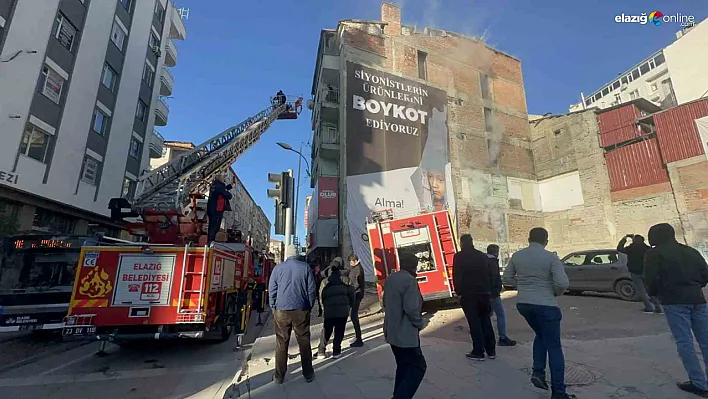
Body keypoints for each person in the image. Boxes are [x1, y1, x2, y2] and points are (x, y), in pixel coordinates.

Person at [503, 227, 575, 399]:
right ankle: (559, 392)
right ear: (546, 241)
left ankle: (538, 372)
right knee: (555, 347)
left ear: (529, 239)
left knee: (541, 335)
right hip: (546, 305)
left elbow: (507, 278)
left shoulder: (518, 256)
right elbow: (562, 283)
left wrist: (523, 286)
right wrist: (554, 292)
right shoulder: (551, 257)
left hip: (524, 304)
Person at [644, 223, 708, 397]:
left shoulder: (655, 254)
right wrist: (695, 286)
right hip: (697, 299)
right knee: (705, 341)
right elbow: (705, 275)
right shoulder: (690, 251)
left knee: (684, 342)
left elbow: (650, 279)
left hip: (674, 301)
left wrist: (654, 294)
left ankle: (699, 383)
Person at [268, 245, 317, 384]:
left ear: (287, 255)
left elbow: (272, 289)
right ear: (297, 255)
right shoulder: (305, 267)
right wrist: (309, 305)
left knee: (281, 343)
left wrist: (273, 306)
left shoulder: (278, 268)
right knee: (304, 341)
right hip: (301, 309)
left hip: (281, 310)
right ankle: (308, 374)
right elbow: (311, 289)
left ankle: (279, 376)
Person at [383, 252, 428, 399]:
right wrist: (420, 323)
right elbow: (411, 309)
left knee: (403, 366)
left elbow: (385, 303)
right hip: (406, 335)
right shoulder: (409, 281)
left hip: (392, 332)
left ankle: (397, 394)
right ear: (414, 266)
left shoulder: (390, 279)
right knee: (418, 366)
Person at [453, 234, 496, 361]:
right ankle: (491, 350)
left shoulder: (459, 256)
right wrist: (490, 291)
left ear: (461, 243)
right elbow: (490, 274)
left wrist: (458, 291)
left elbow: (457, 275)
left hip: (469, 293)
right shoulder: (482, 255)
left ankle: (478, 351)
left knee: (474, 323)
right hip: (484, 293)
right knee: (485, 321)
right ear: (472, 242)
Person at [316, 260, 355, 359]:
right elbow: (352, 295)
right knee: (339, 330)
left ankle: (321, 351)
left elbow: (321, 296)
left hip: (329, 311)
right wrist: (349, 305)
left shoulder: (325, 281)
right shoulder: (347, 280)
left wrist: (323, 308)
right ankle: (336, 351)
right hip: (342, 311)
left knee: (326, 330)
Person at [617, 234, 662, 314]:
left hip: (635, 272)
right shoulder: (647, 248)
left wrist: (624, 238)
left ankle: (649, 307)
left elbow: (619, 248)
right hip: (647, 272)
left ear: (634, 241)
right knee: (650, 290)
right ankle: (658, 307)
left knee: (641, 290)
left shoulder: (631, 248)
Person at [487, 244, 517, 347]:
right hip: (493, 293)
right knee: (500, 314)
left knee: (487, 314)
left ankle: (485, 336)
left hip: (484, 293)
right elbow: (495, 278)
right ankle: (502, 337)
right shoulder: (493, 262)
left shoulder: (482, 260)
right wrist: (497, 289)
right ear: (495, 252)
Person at [206, 175, 232, 243]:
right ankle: (211, 242)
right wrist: (229, 194)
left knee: (211, 226)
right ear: (220, 179)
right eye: (223, 178)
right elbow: (227, 195)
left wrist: (228, 187)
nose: (224, 179)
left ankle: (209, 240)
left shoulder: (214, 186)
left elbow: (221, 192)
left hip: (210, 208)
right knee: (215, 227)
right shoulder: (220, 186)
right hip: (217, 209)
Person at [347, 254, 366, 347]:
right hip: (355, 294)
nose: (350, 263)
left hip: (356, 295)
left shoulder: (358, 269)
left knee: (354, 316)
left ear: (355, 261)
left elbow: (357, 283)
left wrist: (350, 290)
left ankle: (359, 339)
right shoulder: (354, 268)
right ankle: (357, 336)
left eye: (351, 261)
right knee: (353, 316)